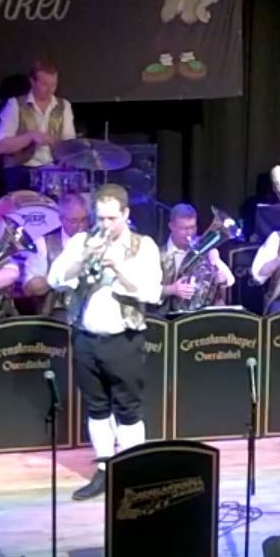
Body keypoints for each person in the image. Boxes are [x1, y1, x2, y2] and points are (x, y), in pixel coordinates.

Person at [45, 184, 163, 500]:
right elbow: (55, 279)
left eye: (112, 218)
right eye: (101, 218)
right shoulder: (82, 241)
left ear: (126, 214)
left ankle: (133, 473)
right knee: (96, 407)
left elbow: (152, 292)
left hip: (124, 339)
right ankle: (104, 469)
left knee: (128, 408)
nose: (106, 225)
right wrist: (84, 258)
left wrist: (118, 267)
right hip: (86, 338)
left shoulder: (143, 246)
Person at [0, 60, 77, 193]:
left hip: (53, 171)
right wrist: (30, 136)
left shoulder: (64, 106)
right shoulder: (15, 105)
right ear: (32, 82)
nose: (50, 90)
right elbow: (0, 147)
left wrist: (66, 158)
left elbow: (69, 142)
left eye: (53, 84)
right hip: (21, 171)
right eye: (44, 84)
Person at [22, 192, 89, 317]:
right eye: (74, 221)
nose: (80, 227)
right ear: (61, 219)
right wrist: (59, 276)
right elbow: (29, 288)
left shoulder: (96, 240)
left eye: (84, 220)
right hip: (55, 315)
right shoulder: (43, 244)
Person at [160, 203, 235, 314]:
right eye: (183, 228)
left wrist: (222, 278)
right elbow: (148, 290)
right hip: (168, 316)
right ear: (171, 227)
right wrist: (173, 289)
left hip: (204, 315)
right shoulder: (158, 254)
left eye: (192, 227)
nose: (189, 233)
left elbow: (230, 280)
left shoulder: (204, 247)